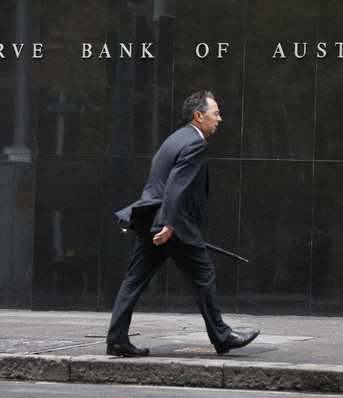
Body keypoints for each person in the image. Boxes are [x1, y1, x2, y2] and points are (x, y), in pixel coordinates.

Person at [106, 91, 260, 357]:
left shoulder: (175, 139)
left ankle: (117, 340)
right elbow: (175, 185)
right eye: (216, 114)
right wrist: (168, 224)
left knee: (133, 281)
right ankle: (222, 337)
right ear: (198, 116)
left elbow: (157, 182)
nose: (219, 119)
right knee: (204, 275)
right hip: (172, 226)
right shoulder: (196, 143)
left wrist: (158, 222)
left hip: (151, 220)